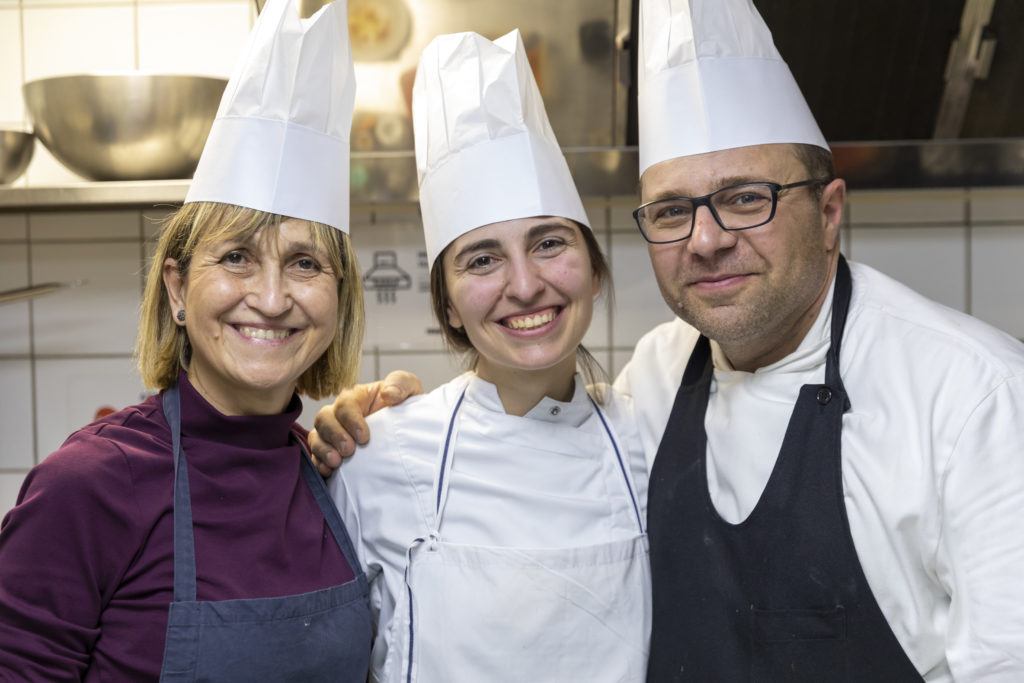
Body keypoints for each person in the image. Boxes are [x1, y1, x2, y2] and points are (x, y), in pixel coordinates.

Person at [313, 1, 1024, 681]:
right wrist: (370, 412)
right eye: (674, 210)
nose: (708, 240)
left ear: (830, 211)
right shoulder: (660, 375)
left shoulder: (973, 398)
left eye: (748, 197)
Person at [0, 0, 373, 679]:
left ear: (338, 297)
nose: (269, 296)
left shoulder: (341, 478)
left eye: (305, 262)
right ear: (176, 288)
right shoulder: (88, 486)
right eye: (235, 256)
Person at [327, 29, 651, 682]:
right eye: (482, 259)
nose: (525, 284)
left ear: (593, 271)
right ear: (448, 305)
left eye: (549, 243)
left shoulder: (659, 441)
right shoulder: (375, 458)